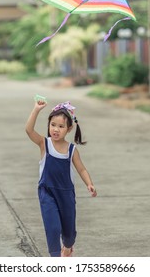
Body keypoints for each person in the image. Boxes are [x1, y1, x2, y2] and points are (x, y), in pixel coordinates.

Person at [25, 99, 97, 257]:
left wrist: (89, 184)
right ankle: (55, 257)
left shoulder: (72, 150)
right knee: (53, 228)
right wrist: (36, 110)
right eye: (53, 125)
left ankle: (68, 247)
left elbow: (82, 169)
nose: (55, 129)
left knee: (69, 233)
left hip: (66, 195)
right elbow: (29, 130)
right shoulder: (44, 144)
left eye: (61, 126)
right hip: (47, 193)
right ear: (49, 124)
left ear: (69, 129)